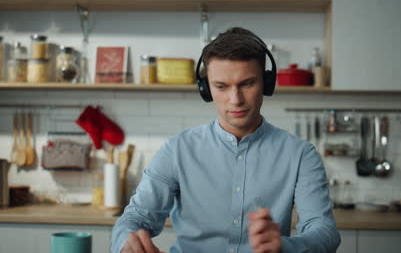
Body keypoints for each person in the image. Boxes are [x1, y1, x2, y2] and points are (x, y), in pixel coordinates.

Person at [111, 27, 341, 253]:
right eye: (221, 86)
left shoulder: (300, 155)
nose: (235, 99)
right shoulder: (177, 150)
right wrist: (126, 243)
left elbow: (324, 230)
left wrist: (285, 247)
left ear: (267, 84)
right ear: (206, 88)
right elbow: (136, 218)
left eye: (247, 84)